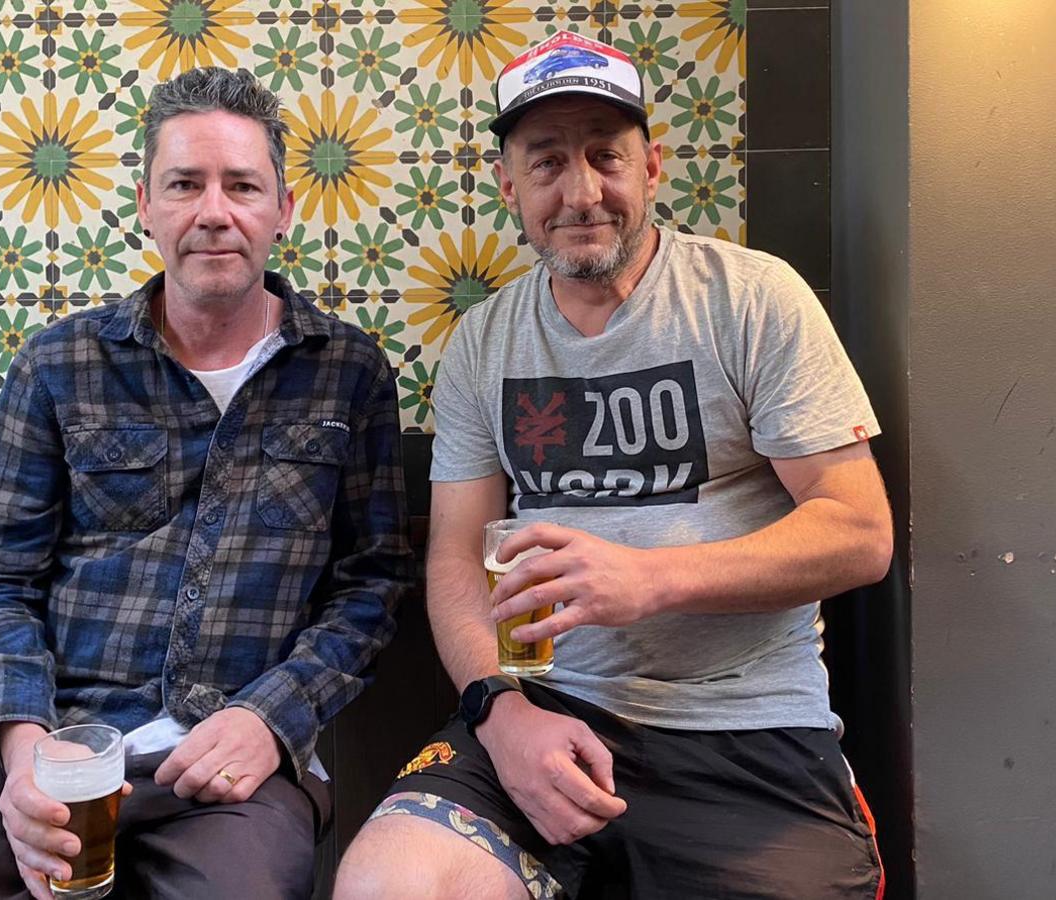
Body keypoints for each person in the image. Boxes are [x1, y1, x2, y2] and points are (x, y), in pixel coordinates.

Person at [335, 30, 891, 900]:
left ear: (653, 167)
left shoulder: (752, 297)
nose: (582, 192)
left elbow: (859, 532)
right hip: (544, 715)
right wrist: (502, 712)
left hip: (745, 726)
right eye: (548, 162)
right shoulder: (484, 342)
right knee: (388, 885)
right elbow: (453, 554)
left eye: (607, 156)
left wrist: (650, 578)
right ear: (509, 185)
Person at [0, 66, 412, 900]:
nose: (214, 212)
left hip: (227, 763)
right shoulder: (58, 364)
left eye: (243, 185)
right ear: (147, 205)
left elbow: (372, 586)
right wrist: (24, 747)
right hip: (44, 733)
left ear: (283, 209)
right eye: (185, 184)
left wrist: (273, 715)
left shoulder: (349, 373)